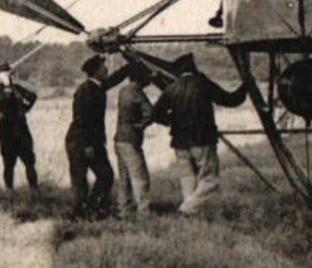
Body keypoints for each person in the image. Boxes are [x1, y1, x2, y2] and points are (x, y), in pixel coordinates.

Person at [151, 54, 247, 214]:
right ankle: (185, 210)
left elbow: (155, 114)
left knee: (188, 180)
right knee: (210, 180)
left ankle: (190, 216)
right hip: (202, 140)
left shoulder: (172, 88)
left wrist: (173, 120)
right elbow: (231, 100)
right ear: (193, 67)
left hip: (179, 143)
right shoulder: (203, 84)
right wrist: (246, 86)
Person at [65, 54, 138, 220]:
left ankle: (90, 210)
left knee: (105, 176)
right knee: (82, 180)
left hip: (88, 141)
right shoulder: (86, 91)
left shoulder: (95, 86)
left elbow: (113, 80)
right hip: (81, 142)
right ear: (96, 71)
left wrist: (129, 65)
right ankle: (80, 214)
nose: (106, 69)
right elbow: (82, 119)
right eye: (103, 67)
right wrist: (87, 146)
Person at [113, 62, 157, 215]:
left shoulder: (123, 90)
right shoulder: (137, 91)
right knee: (140, 177)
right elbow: (150, 113)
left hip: (119, 138)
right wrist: (141, 125)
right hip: (132, 139)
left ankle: (124, 210)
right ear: (141, 76)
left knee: (124, 178)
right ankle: (144, 212)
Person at [0, 63, 40, 192]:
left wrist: (24, 109)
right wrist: (7, 87)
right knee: (9, 162)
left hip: (22, 128)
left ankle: (34, 189)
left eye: (7, 71)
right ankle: (9, 190)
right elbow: (4, 103)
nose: (6, 74)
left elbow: (33, 97)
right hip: (6, 129)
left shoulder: (17, 88)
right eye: (3, 73)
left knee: (29, 160)